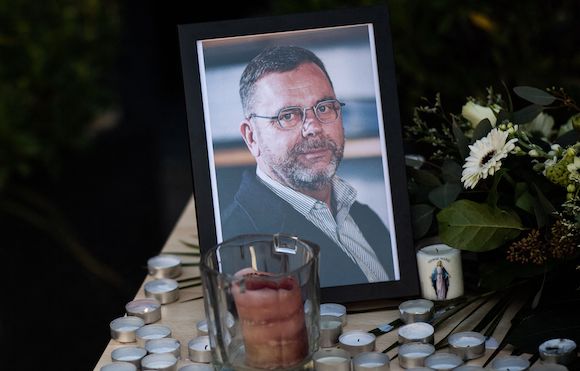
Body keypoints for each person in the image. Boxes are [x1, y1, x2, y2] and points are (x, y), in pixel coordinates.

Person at [221, 45, 394, 287]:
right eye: (288, 116)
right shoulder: (234, 244)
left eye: (323, 108)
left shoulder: (365, 217)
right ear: (252, 137)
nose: (313, 127)